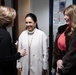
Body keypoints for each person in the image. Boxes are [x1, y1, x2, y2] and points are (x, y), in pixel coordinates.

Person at [0, 6, 26, 75]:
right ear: (8, 20)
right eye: (13, 19)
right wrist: (19, 54)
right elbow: (5, 59)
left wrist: (12, 46)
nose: (14, 21)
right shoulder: (5, 34)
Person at [53, 5, 76, 75]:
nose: (64, 17)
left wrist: (61, 70)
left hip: (69, 69)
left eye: (67, 15)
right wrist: (58, 60)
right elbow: (56, 47)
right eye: (64, 15)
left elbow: (72, 54)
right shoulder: (62, 29)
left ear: (73, 16)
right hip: (60, 65)